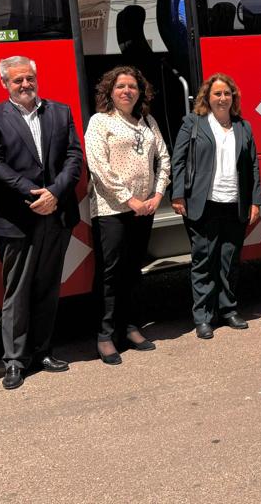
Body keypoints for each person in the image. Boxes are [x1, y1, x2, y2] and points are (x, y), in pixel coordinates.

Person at [0, 57, 84, 389]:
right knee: (17, 291)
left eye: (29, 79)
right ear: (4, 84)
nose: (25, 85)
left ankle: (42, 351)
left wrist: (54, 193)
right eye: (17, 80)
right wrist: (34, 193)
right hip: (16, 218)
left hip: (57, 213)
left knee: (48, 287)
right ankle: (14, 361)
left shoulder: (60, 112)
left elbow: (74, 156)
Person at [85, 66, 171, 361]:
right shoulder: (100, 122)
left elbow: (164, 158)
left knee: (134, 269)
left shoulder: (147, 121)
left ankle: (131, 326)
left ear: (139, 92)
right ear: (110, 91)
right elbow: (98, 166)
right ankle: (106, 334)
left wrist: (158, 195)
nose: (126, 91)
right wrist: (129, 199)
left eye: (132, 86)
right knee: (111, 272)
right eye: (120, 86)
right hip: (112, 209)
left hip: (145, 208)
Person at [170, 74, 261, 339]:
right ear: (207, 98)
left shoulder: (243, 126)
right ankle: (203, 316)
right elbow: (179, 160)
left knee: (229, 260)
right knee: (204, 261)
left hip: (235, 203)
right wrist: (178, 195)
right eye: (217, 94)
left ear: (233, 98)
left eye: (227, 94)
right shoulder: (193, 123)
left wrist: (255, 200)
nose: (222, 98)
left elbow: (253, 166)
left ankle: (229, 310)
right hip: (203, 204)